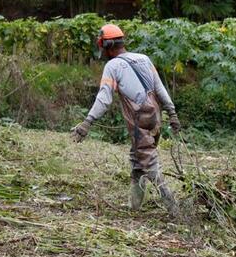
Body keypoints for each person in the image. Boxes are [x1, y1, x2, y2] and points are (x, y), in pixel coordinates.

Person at [70, 24, 182, 217]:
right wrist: (172, 113)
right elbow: (160, 88)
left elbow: (104, 99)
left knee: (148, 161)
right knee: (138, 159)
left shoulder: (112, 66)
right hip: (155, 117)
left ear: (107, 46)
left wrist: (87, 122)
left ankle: (174, 208)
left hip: (140, 119)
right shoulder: (144, 59)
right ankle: (135, 205)